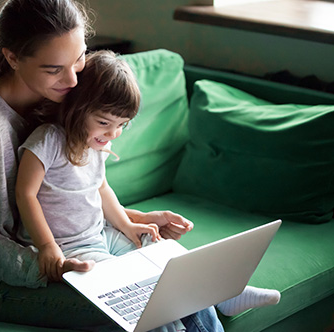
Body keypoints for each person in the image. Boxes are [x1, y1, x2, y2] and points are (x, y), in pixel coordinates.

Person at [0, 0, 225, 331]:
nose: (72, 79)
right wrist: (47, 264)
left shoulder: (60, 95)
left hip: (63, 246)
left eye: (78, 59)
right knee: (152, 314)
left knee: (185, 288)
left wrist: (135, 219)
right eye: (54, 68)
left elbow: (70, 191)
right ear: (12, 58)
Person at [16, 50, 281, 325]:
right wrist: (47, 246)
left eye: (121, 125)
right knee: (133, 288)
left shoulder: (96, 143)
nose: (112, 134)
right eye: (104, 123)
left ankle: (227, 295)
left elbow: (102, 189)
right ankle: (173, 325)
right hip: (71, 248)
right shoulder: (48, 139)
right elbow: (25, 193)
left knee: (162, 251)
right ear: (76, 108)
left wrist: (127, 226)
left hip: (100, 233)